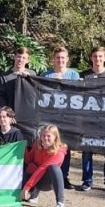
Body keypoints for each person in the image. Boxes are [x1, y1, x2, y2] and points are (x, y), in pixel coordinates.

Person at [78, 46, 105, 194]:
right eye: (95, 56)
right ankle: (87, 181)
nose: (98, 59)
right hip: (88, 120)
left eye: (101, 56)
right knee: (87, 151)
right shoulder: (83, 75)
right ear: (91, 58)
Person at [40, 46, 79, 190]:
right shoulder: (46, 75)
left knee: (65, 147)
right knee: (49, 145)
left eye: (63, 58)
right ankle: (47, 174)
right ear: (53, 59)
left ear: (67, 59)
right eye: (58, 58)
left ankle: (64, 176)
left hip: (68, 116)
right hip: (51, 116)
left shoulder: (74, 75)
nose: (60, 60)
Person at [22, 125, 67, 207]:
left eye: (48, 136)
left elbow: (43, 169)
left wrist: (26, 187)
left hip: (47, 182)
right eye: (43, 135)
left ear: (55, 137)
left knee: (54, 168)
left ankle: (60, 203)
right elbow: (28, 159)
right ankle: (34, 193)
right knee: (29, 165)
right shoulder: (37, 144)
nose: (45, 138)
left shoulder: (60, 151)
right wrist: (23, 148)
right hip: (35, 178)